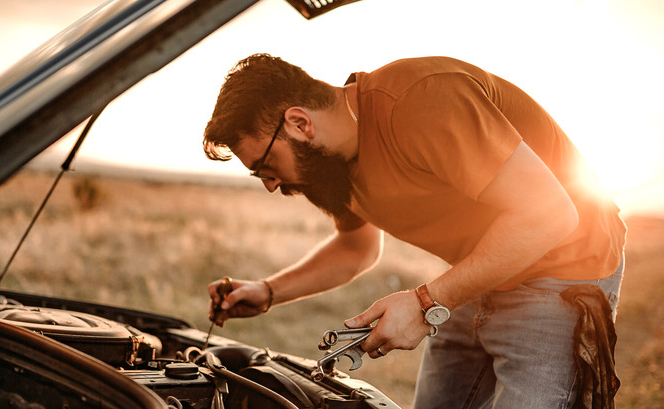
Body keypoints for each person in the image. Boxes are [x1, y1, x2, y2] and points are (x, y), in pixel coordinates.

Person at [202, 54, 625, 408]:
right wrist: (269, 291)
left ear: (299, 123)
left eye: (265, 166)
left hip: (562, 272)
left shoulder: (420, 99)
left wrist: (426, 303)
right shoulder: (327, 167)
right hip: (476, 276)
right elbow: (357, 247)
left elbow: (550, 214)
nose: (271, 185)